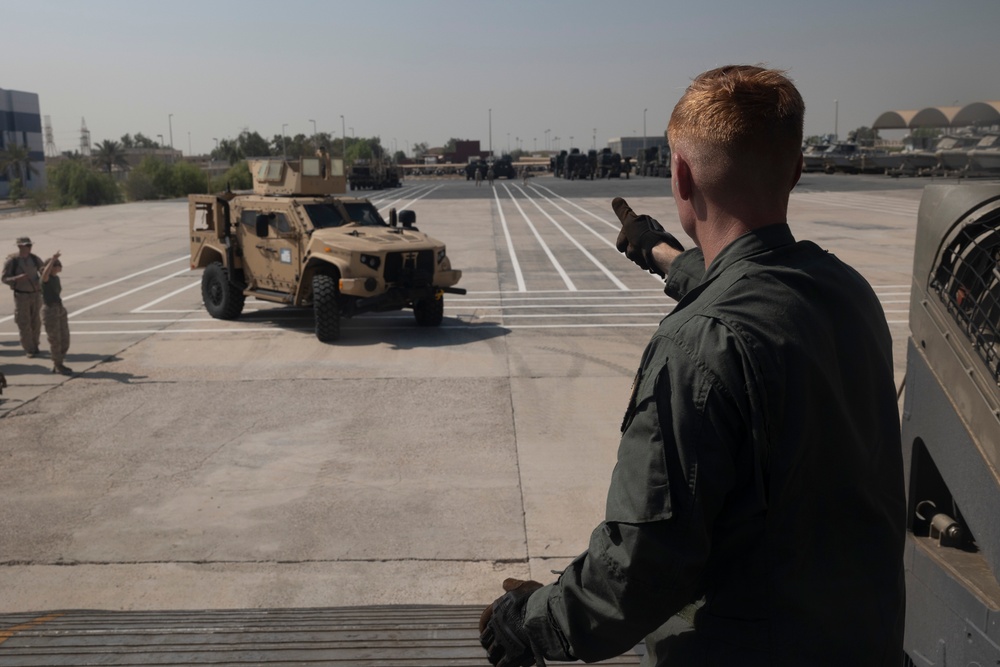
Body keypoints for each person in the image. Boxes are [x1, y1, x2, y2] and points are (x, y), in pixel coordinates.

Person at [479, 65, 905, 666]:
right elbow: (756, 292)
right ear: (797, 169)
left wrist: (536, 620)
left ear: (680, 174)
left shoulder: (694, 349)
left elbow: (640, 568)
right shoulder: (846, 290)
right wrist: (662, 255)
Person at [2, 236, 44, 357]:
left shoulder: (35, 259)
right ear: (20, 246)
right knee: (24, 323)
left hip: (36, 294)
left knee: (36, 322)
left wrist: (41, 281)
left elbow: (44, 272)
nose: (30, 247)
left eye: (30, 245)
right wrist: (16, 279)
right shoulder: (12, 261)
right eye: (27, 245)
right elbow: (4, 279)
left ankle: (35, 345)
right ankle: (29, 349)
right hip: (22, 296)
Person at [41, 251, 71, 375]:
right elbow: (44, 275)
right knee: (55, 340)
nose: (60, 266)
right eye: (57, 264)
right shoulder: (45, 279)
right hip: (50, 311)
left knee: (65, 339)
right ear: (52, 267)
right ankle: (58, 365)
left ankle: (58, 362)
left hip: (59, 308)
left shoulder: (56, 278)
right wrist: (53, 259)